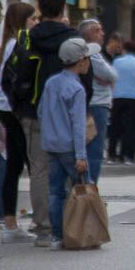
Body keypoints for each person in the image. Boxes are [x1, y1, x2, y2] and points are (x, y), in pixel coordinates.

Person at [21, 0, 82, 242]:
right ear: (63, 7)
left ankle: (44, 226)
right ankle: (69, 224)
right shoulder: (72, 38)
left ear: (40, 8)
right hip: (67, 112)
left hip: (35, 111)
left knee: (39, 169)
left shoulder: (29, 37)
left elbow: (19, 72)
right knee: (69, 170)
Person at [39, 38, 98, 250]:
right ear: (80, 61)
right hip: (70, 147)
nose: (89, 62)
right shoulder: (77, 89)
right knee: (85, 188)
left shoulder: (51, 82)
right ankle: (87, 232)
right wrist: (81, 156)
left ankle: (56, 236)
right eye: (87, 57)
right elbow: (78, 125)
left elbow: (41, 112)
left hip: (51, 144)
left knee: (56, 192)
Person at [0, 3, 37, 244]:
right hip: (14, 110)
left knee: (15, 164)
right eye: (33, 19)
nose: (35, 23)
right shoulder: (17, 44)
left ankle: (10, 220)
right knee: (27, 162)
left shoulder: (9, 43)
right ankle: (15, 221)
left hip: (6, 109)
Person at [79, 19, 116, 183]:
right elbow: (111, 75)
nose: (102, 34)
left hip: (93, 103)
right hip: (97, 105)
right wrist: (108, 78)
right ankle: (90, 188)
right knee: (94, 149)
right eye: (98, 30)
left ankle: (87, 186)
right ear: (89, 33)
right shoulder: (92, 52)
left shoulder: (92, 52)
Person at [109, 40, 135, 165]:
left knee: (115, 126)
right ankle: (128, 155)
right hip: (134, 97)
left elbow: (112, 77)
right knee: (131, 127)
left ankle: (112, 154)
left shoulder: (117, 62)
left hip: (118, 96)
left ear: (124, 49)